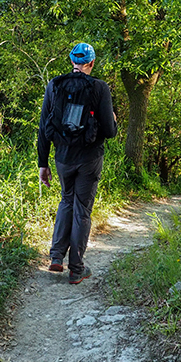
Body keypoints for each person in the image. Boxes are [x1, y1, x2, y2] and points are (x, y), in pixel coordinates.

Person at [36, 42, 118, 284]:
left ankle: (56, 257)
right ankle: (76, 269)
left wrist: (43, 163)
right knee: (82, 208)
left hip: (62, 158)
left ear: (72, 61)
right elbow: (110, 132)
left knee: (66, 200)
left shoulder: (55, 85)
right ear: (91, 63)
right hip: (90, 159)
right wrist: (113, 119)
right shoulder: (99, 88)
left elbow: (43, 127)